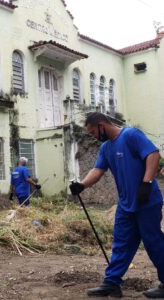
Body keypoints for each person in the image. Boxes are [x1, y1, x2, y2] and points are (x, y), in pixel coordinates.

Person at [70, 112, 164, 298]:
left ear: (102, 124)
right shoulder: (106, 148)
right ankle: (112, 283)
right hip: (126, 204)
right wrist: (82, 185)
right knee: (121, 243)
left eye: (93, 132)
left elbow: (153, 155)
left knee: (153, 242)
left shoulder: (130, 135)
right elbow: (97, 170)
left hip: (146, 200)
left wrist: (146, 183)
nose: (93, 136)